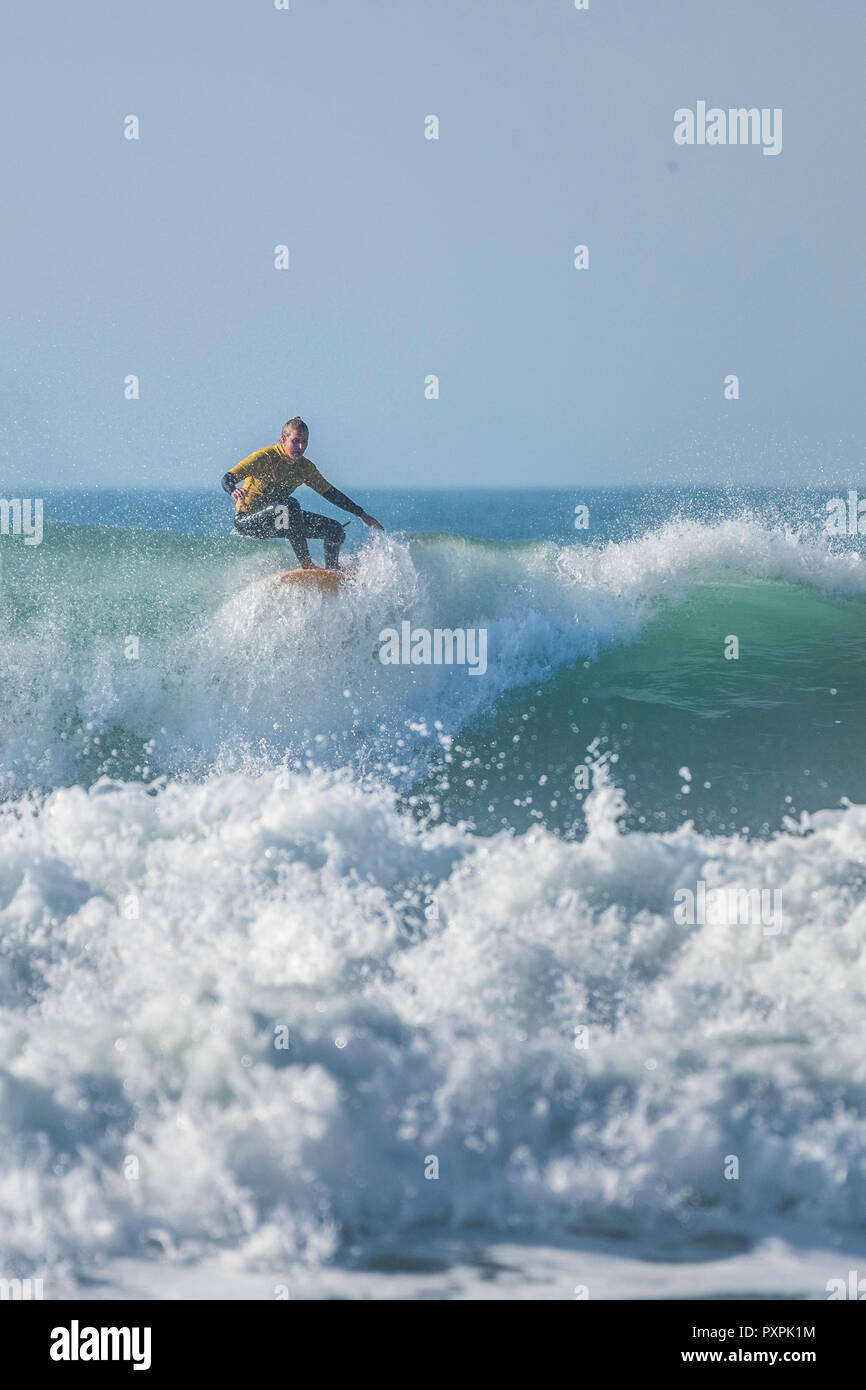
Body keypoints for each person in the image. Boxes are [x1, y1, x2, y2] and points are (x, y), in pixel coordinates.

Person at [221, 417, 384, 569]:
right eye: (295, 441)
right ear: (283, 439)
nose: (300, 447)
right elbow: (227, 478)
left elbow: (331, 493)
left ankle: (331, 572)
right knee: (290, 505)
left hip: (280, 520)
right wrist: (233, 490)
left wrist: (362, 514)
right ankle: (307, 564)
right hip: (249, 521)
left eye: (304, 442)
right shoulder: (265, 457)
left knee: (335, 529)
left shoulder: (305, 468)